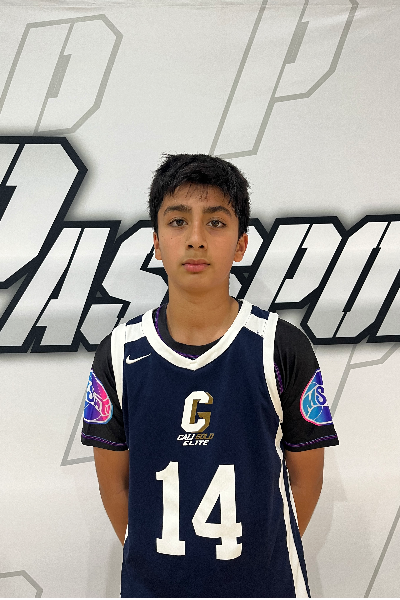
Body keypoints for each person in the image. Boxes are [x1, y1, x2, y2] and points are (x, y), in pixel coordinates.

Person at [81, 153, 338, 598]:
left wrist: (260, 556)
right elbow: (114, 485)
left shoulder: (281, 346)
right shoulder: (119, 353)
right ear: (156, 242)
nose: (196, 239)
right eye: (178, 222)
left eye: (216, 223)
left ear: (240, 244)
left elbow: (307, 479)